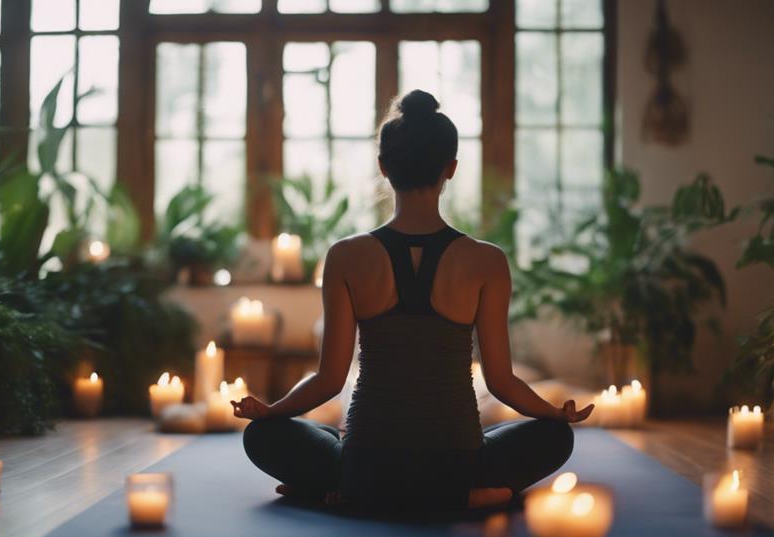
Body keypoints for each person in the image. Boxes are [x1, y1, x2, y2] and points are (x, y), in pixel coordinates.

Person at [232, 90, 594, 511]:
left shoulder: (346, 257)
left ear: (384, 168)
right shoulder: (487, 261)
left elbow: (329, 379)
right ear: (451, 169)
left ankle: (350, 490)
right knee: (554, 437)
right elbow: (501, 381)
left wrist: (271, 411)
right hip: (460, 464)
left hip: (367, 462)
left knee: (265, 436)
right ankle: (463, 496)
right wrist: (555, 414)